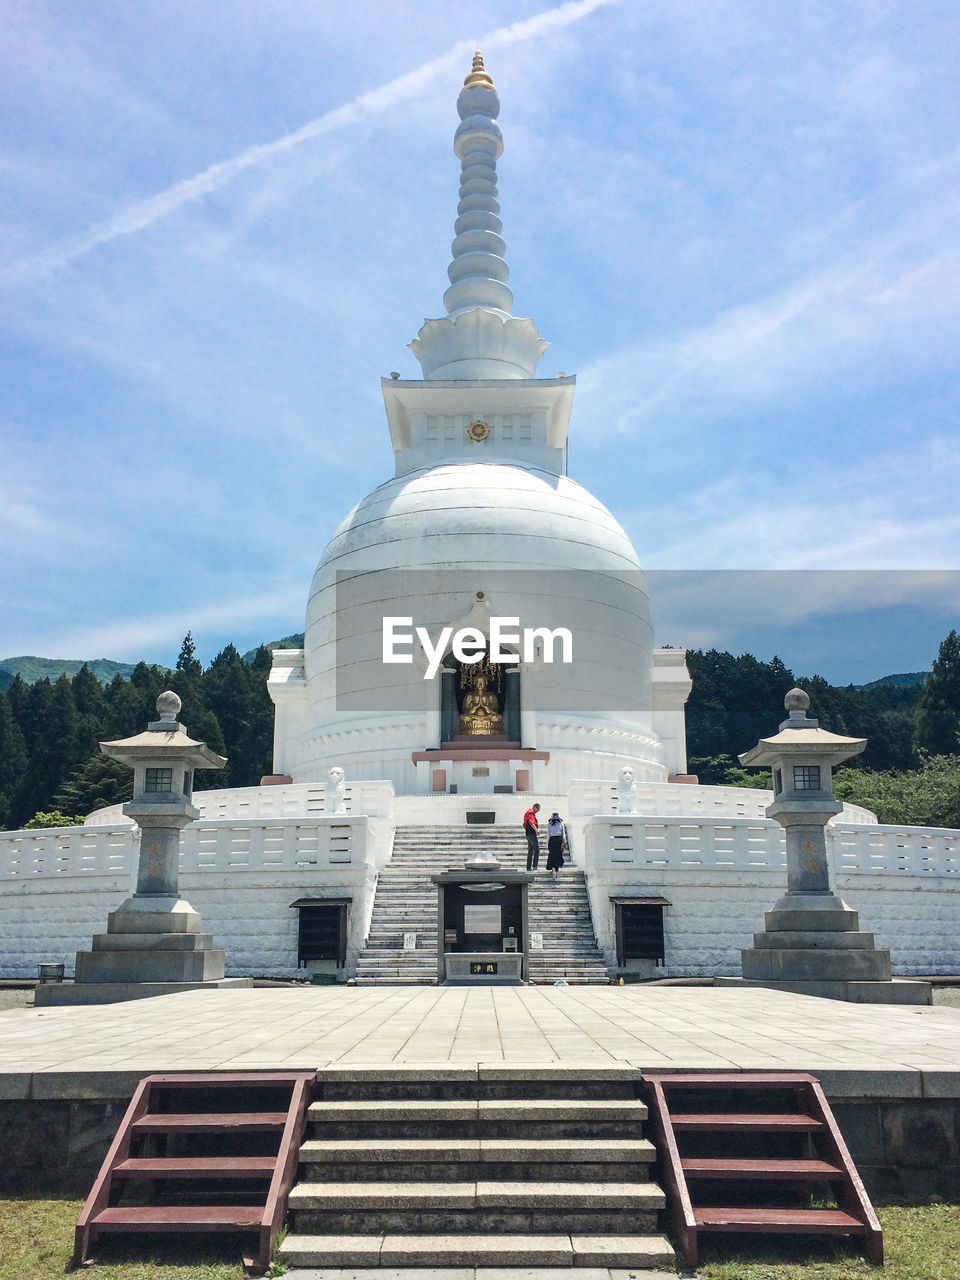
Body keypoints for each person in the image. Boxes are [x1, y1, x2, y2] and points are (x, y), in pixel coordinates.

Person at [546, 811, 567, 878]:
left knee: (552, 855)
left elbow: (548, 835)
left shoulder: (550, 824)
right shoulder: (561, 823)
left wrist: (548, 844)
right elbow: (563, 833)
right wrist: (564, 841)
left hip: (552, 840)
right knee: (558, 855)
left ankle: (553, 869)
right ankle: (557, 870)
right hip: (559, 840)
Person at [522, 802, 541, 870]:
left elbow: (525, 824)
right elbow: (531, 822)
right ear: (535, 807)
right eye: (537, 809)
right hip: (531, 834)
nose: (537, 811)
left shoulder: (528, 812)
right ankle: (535, 866)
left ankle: (528, 867)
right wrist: (536, 830)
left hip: (528, 834)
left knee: (530, 850)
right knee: (537, 850)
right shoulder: (531, 813)